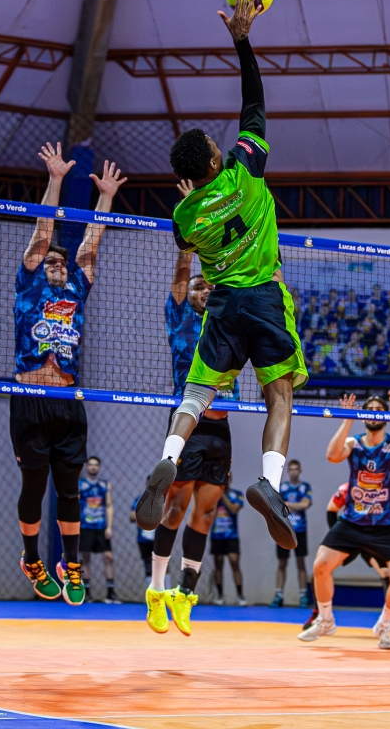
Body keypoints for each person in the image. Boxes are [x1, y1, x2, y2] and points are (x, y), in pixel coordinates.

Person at [135, 0, 308, 558]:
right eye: (214, 145)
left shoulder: (185, 215)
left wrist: (195, 199)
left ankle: (168, 457)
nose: (219, 142)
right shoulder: (245, 170)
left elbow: (187, 240)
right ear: (216, 161)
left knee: (197, 391)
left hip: (224, 307)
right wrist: (242, 40)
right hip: (264, 298)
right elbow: (254, 102)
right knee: (279, 394)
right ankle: (271, 485)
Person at [11, 142, 126, 607]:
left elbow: (91, 242)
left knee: (69, 489)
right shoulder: (30, 284)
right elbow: (43, 232)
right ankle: (31, 559)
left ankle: (71, 564)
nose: (58, 264)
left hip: (67, 400)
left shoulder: (77, 288)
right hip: (30, 399)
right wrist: (55, 180)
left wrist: (106, 198)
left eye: (62, 261)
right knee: (34, 487)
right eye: (52, 261)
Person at [144, 251, 239, 635]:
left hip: (221, 429)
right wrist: (187, 249)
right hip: (189, 426)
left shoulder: (226, 323)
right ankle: (156, 589)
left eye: (209, 287)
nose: (204, 291)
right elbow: (181, 279)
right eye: (199, 287)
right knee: (175, 509)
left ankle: (185, 593)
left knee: (207, 512)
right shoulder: (181, 317)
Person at [299, 392, 390, 650]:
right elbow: (332, 455)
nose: (374, 413)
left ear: (386, 416)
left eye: (380, 409)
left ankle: (384, 624)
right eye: (370, 409)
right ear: (362, 415)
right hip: (353, 523)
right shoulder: (353, 443)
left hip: (389, 525)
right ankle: (325, 619)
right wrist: (347, 418)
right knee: (321, 565)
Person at [304, 480, 390, 636]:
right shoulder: (348, 488)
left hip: (376, 539)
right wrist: (338, 540)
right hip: (351, 536)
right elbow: (331, 509)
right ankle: (319, 613)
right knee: (321, 567)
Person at [79, 456, 118, 604]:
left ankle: (111, 593)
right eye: (90, 465)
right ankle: (87, 592)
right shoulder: (80, 485)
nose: (93, 467)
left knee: (108, 557)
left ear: (99, 467)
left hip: (101, 526)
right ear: (87, 467)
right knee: (85, 558)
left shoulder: (104, 485)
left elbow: (109, 505)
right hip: (85, 526)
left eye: (96, 465)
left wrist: (109, 526)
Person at [273, 460, 311, 608]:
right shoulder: (282, 488)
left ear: (300, 471)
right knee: (282, 563)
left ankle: (303, 596)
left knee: (300, 562)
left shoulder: (305, 487)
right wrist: (296, 505)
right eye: (291, 469)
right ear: (288, 471)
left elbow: (305, 504)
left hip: (300, 530)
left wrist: (287, 504)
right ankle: (278, 595)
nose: (293, 472)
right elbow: (276, 506)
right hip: (284, 530)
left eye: (296, 469)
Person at [211, 473, 246, 605]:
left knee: (234, 561)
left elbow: (233, 509)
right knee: (218, 563)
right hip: (217, 535)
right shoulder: (213, 495)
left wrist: (222, 494)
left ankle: (240, 595)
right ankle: (220, 595)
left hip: (231, 535)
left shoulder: (237, 494)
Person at [130, 494, 156, 579]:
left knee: (163, 563)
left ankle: (166, 586)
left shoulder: (163, 498)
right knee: (148, 565)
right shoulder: (140, 499)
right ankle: (150, 587)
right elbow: (132, 516)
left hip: (159, 537)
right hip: (144, 538)